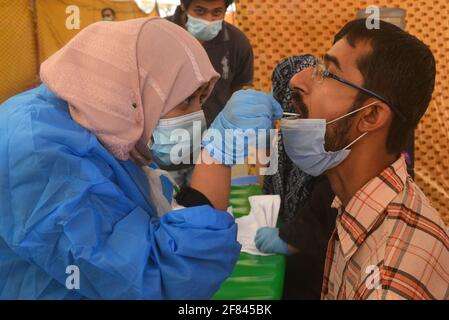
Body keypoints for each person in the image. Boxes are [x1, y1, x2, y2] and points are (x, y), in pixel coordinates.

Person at [0, 17, 282, 300]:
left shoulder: (105, 124)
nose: (197, 116)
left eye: (201, 99)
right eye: (186, 99)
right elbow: (154, 278)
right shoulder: (37, 148)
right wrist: (216, 156)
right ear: (134, 87)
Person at [279, 19, 448, 299]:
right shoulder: (354, 204)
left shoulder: (391, 275)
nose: (297, 80)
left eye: (328, 74)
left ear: (370, 116)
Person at [257, 55, 337, 299]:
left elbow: (328, 204)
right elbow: (269, 188)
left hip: (319, 260)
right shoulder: (282, 140)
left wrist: (294, 239)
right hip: (290, 256)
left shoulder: (331, 140)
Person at [165, 0, 254, 186]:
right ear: (184, 6)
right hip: (164, 144)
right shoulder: (160, 35)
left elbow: (238, 89)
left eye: (216, 13)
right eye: (200, 11)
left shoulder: (237, 42)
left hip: (211, 147)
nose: (208, 19)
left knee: (205, 208)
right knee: (162, 207)